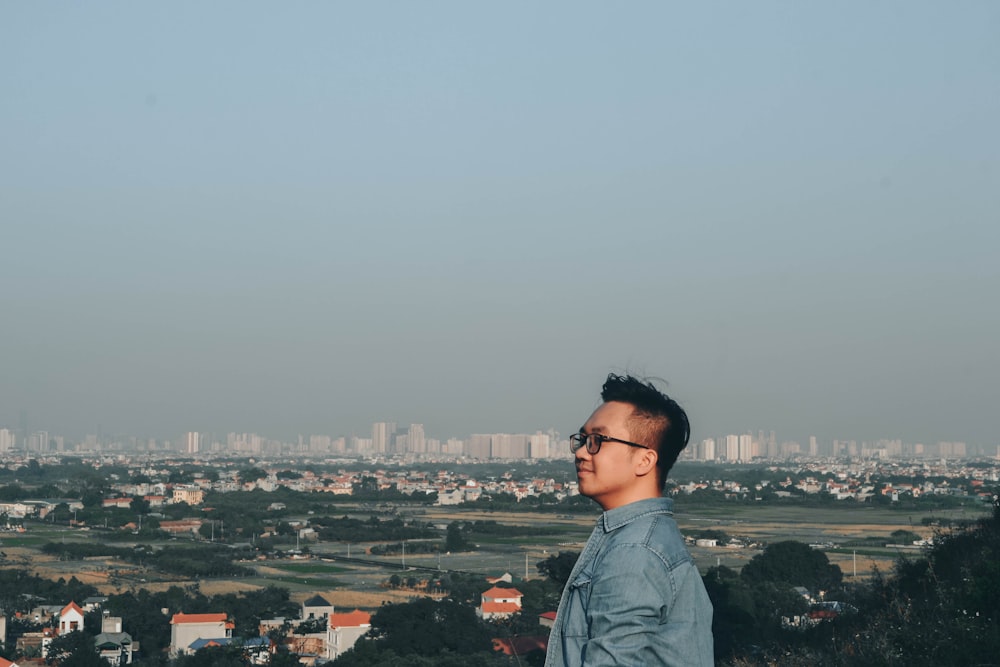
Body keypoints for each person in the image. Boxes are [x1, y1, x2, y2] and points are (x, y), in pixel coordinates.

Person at [544, 373, 714, 666]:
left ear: (644, 461)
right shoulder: (649, 537)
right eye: (583, 439)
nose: (582, 452)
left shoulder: (633, 551)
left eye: (598, 440)